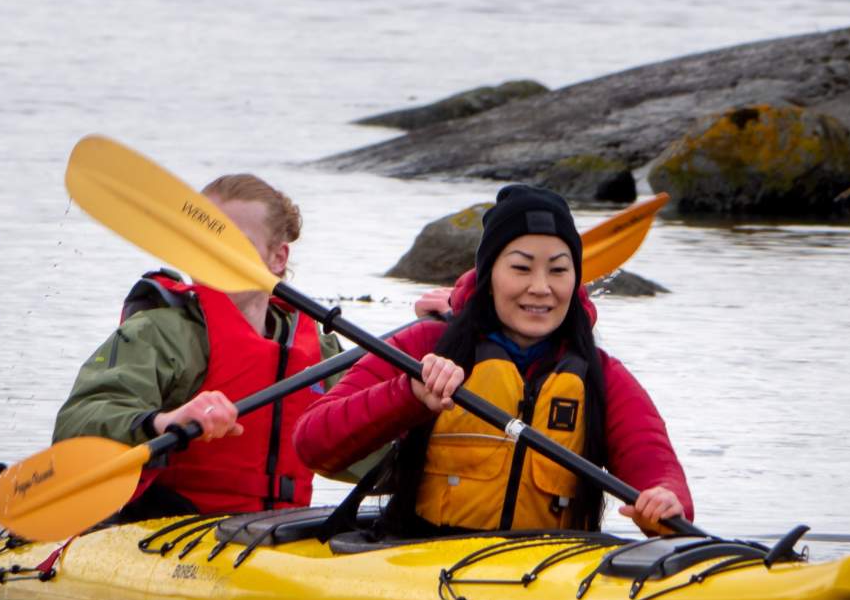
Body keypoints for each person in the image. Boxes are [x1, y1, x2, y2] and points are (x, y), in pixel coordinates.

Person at [293, 185, 692, 537]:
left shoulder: (600, 374)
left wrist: (664, 500)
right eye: (520, 268)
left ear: (575, 279)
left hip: (551, 574)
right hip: (425, 560)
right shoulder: (426, 345)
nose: (541, 288)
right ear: (489, 276)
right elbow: (313, 442)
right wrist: (409, 394)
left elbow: (656, 465)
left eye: (558, 270)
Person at [53, 172, 354, 519]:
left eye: (234, 243)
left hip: (280, 534)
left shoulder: (319, 351)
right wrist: (162, 422)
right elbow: (75, 426)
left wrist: (428, 349)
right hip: (167, 528)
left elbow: (373, 454)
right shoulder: (161, 333)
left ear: (278, 258)